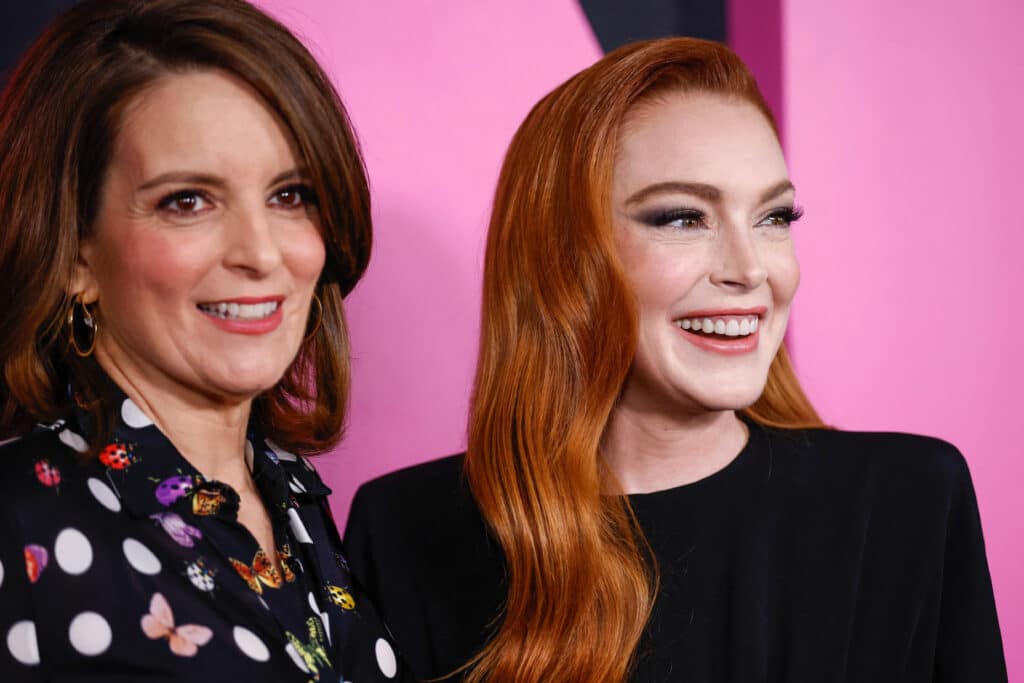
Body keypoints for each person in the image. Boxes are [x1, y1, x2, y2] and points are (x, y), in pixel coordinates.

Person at [343, 37, 1007, 682]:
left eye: (775, 217)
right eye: (683, 218)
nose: (751, 270)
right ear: (564, 259)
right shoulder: (406, 531)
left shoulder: (909, 501)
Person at [0, 0, 412, 680]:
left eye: (290, 194)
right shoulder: (19, 521)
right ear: (75, 255)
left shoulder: (300, 505)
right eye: (188, 200)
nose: (260, 253)